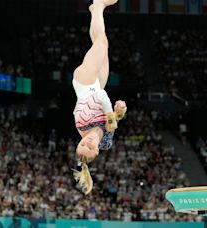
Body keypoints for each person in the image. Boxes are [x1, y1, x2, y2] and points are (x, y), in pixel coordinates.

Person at [72, 0, 127, 195]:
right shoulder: (106, 142)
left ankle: (98, 5)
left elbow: (103, 98)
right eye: (89, 147)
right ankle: (96, 9)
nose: (86, 142)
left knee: (100, 43)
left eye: (82, 144)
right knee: (104, 43)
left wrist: (111, 115)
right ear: (97, 151)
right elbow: (112, 120)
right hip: (97, 85)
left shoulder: (82, 124)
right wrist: (119, 110)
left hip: (84, 81)